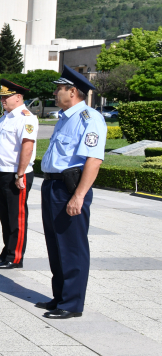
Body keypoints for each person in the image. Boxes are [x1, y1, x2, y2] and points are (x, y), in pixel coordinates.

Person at [37, 66, 106, 319]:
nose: (56, 93)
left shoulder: (89, 118)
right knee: (56, 245)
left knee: (72, 246)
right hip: (52, 186)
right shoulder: (65, 117)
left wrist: (78, 196)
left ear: (73, 91)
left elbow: (93, 160)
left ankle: (72, 303)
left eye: (59, 88)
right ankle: (60, 296)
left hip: (70, 189)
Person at [0, 79, 38, 270]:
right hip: (2, 172)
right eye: (1, 97)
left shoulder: (26, 118)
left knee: (16, 217)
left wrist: (20, 173)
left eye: (6, 97)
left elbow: (27, 146)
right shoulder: (6, 117)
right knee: (5, 215)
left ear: (18, 97)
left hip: (16, 174)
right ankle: (6, 252)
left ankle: (15, 257)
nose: (3, 100)